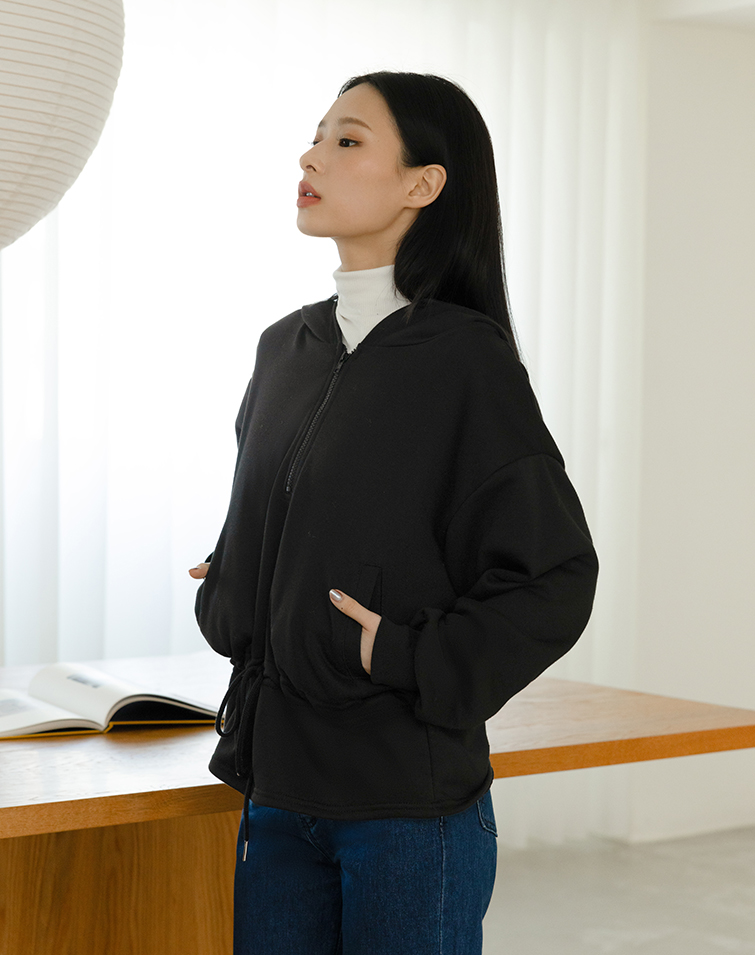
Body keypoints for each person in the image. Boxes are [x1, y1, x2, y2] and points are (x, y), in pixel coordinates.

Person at [189, 70, 598, 955]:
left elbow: (554, 576)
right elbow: (302, 513)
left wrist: (403, 651)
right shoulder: (284, 348)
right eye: (316, 136)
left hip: (405, 813)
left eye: (346, 140)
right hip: (276, 796)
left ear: (422, 184)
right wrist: (240, 577)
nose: (310, 156)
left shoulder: (465, 362)